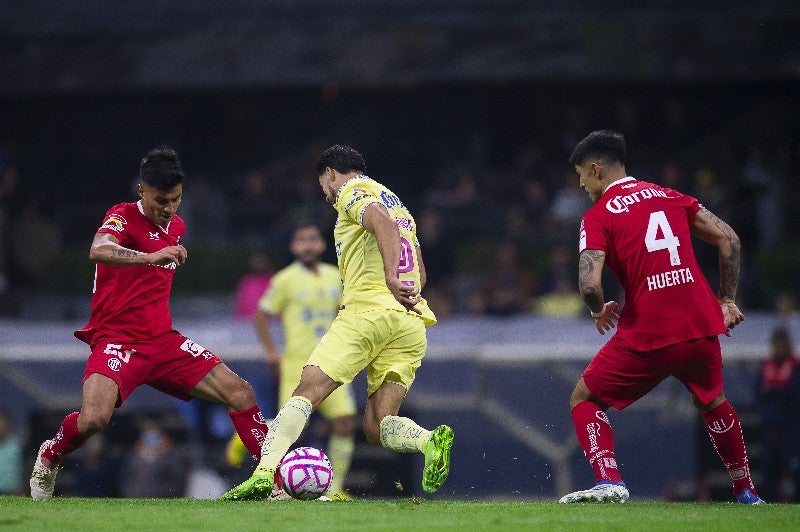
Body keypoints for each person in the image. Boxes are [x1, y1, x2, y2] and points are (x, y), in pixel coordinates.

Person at [29, 147, 269, 501]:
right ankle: (50, 454)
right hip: (116, 340)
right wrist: (148, 256)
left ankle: (274, 479)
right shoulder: (122, 217)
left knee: (241, 393)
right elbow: (99, 249)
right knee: (94, 419)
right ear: (141, 191)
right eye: (161, 200)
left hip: (162, 341)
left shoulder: (177, 226)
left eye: (175, 199)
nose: (169, 208)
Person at [221, 144, 453, 500]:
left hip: (366, 313)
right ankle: (426, 440)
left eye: (322, 185)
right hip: (410, 321)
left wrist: (389, 277)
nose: (326, 194)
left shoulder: (353, 190)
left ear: (330, 173)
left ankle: (265, 473)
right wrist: (401, 287)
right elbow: (419, 271)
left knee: (306, 392)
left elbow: (382, 226)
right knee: (376, 425)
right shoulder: (399, 203)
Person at [558, 130, 763, 504]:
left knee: (583, 398)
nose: (581, 184)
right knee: (712, 400)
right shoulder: (672, 197)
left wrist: (596, 309)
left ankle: (610, 481)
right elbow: (729, 238)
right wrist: (728, 300)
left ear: (596, 169)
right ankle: (746, 490)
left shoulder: (598, 215)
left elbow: (589, 284)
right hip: (700, 326)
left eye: (581, 175)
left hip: (650, 334)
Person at [226, 222, 357, 499]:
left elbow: (345, 311)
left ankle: (335, 490)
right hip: (299, 365)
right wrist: (271, 350)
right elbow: (261, 314)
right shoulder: (284, 279)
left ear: (322, 244)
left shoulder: (336, 276)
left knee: (344, 422)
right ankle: (246, 438)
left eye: (312, 239)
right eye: (301, 240)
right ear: (293, 247)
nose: (307, 245)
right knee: (295, 428)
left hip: (333, 362)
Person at [754, 327, 800, 502]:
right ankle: (771, 508)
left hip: (792, 429)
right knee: (769, 473)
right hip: (770, 429)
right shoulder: (766, 366)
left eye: (782, 344)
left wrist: (771, 391)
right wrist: (780, 391)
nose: (779, 347)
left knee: (796, 472)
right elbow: (758, 394)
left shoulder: (795, 367)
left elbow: (794, 393)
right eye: (776, 344)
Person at [0, 409, 22, 494]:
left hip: (12, 492)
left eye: (2, 424)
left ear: (8, 425)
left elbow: (26, 466)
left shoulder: (17, 446)